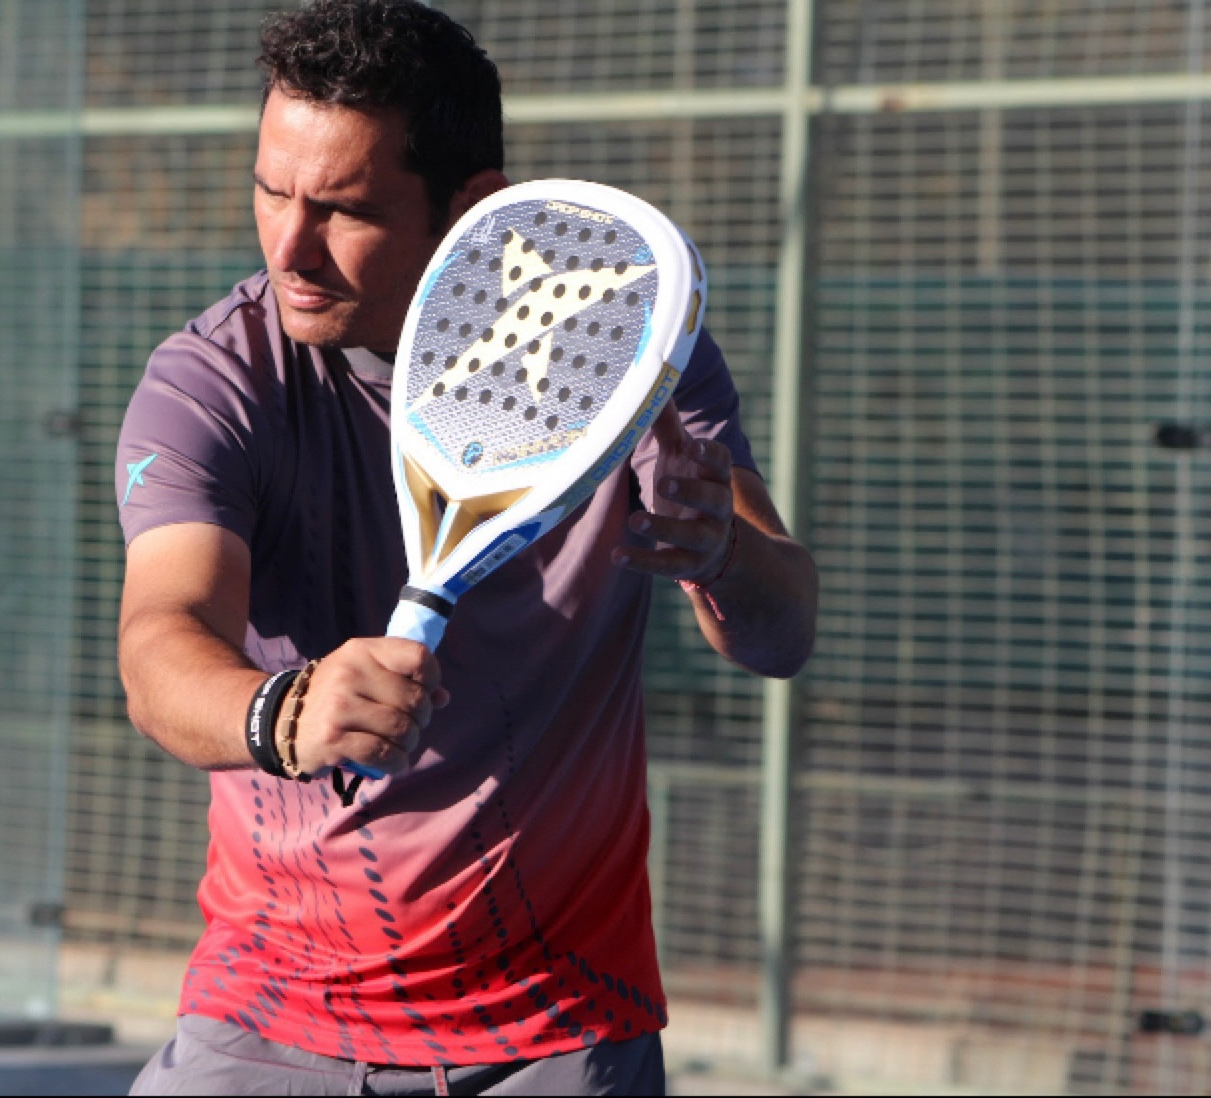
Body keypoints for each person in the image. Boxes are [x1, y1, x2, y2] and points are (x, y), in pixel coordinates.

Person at [114, 1, 817, 1093]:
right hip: (265, 1013)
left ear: (473, 205)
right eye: (271, 192)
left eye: (344, 210)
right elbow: (162, 645)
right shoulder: (214, 381)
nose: (290, 246)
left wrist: (723, 553)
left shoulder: (620, 350)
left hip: (554, 1030)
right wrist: (282, 713)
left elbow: (783, 632)